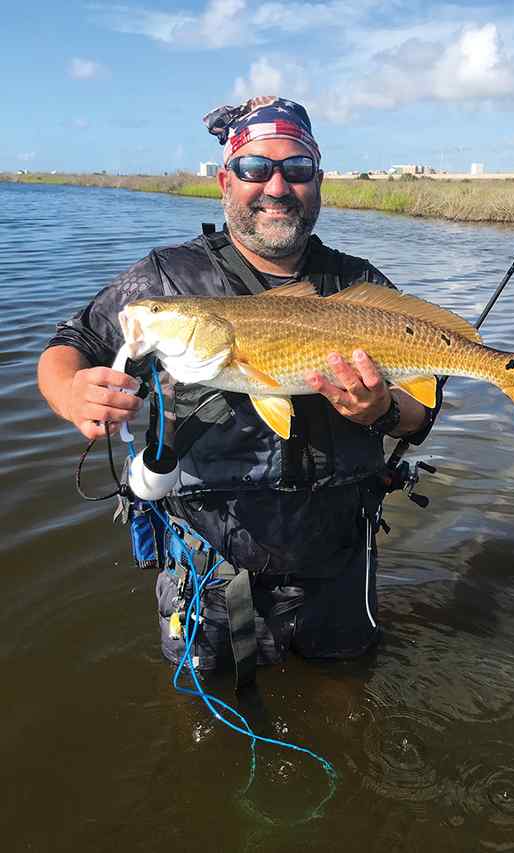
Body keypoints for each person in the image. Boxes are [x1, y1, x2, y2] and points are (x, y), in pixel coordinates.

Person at [37, 96, 438, 685]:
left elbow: (421, 413)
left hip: (341, 563)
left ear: (317, 182)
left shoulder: (360, 285)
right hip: (210, 567)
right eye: (255, 169)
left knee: (350, 704)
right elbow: (69, 342)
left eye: (297, 170)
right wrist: (71, 390)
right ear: (227, 179)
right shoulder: (167, 280)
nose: (276, 186)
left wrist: (382, 412)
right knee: (204, 730)